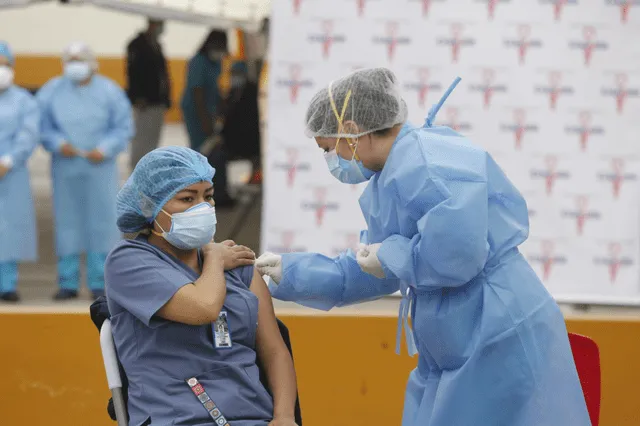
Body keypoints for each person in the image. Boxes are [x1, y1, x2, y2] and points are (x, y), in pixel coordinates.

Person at [256, 68, 590, 426]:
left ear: (352, 131)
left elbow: (456, 255)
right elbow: (378, 267)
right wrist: (290, 272)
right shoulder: (392, 175)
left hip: (498, 326)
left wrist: (391, 256)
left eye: (328, 149)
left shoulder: (429, 163)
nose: (331, 162)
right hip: (457, 337)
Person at [106, 146, 298, 426]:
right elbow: (204, 307)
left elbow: (275, 351)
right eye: (187, 198)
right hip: (177, 417)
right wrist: (214, 258)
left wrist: (284, 417)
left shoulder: (240, 269)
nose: (203, 208)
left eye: (208, 197)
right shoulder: (128, 261)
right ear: (151, 206)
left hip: (253, 417)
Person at [37, 42, 134, 301]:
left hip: (99, 168)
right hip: (65, 167)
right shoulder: (52, 91)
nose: (75, 65)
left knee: (101, 223)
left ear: (92, 62)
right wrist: (58, 143)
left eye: (79, 59)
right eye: (70, 60)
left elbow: (123, 126)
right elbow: (41, 124)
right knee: (67, 222)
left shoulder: (110, 92)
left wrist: (105, 147)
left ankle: (100, 283)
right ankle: (67, 282)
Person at [0, 41, 39, 303]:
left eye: (5, 66)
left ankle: (7, 284)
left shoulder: (24, 100)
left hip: (11, 173)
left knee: (9, 227)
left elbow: (29, 132)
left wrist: (10, 159)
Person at [180, 30, 235, 207]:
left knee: (214, 150)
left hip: (209, 110)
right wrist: (205, 123)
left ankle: (216, 191)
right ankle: (199, 194)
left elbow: (215, 88)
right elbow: (197, 93)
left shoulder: (215, 62)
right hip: (196, 112)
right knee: (203, 150)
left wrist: (220, 110)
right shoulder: (198, 62)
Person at [125, 18, 171, 170]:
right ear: (152, 24)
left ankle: (149, 167)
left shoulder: (157, 45)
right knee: (141, 138)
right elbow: (132, 72)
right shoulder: (137, 45)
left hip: (157, 100)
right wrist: (137, 97)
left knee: (153, 138)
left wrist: (166, 97)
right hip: (143, 101)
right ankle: (136, 169)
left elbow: (162, 75)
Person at [219, 61, 261, 178]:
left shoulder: (251, 93)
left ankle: (255, 177)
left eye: (238, 73)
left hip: (250, 139)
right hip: (233, 139)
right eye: (233, 73)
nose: (234, 76)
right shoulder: (232, 94)